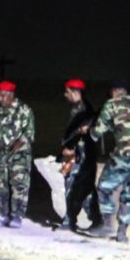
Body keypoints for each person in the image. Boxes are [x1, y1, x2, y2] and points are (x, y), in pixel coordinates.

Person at [84, 78, 130, 243]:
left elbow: (98, 131)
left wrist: (88, 131)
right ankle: (122, 231)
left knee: (104, 186)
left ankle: (107, 223)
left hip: (125, 152)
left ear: (114, 91)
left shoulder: (111, 104)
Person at [0, 80, 35, 228]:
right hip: (1, 153)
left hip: (19, 154)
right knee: (1, 185)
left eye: (3, 96)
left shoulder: (24, 110)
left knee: (19, 184)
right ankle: (4, 214)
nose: (0, 99)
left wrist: (19, 143)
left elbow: (29, 132)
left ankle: (17, 215)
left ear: (11, 95)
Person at [57, 78, 101, 231]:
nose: (65, 95)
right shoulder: (82, 108)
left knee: (73, 186)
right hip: (83, 154)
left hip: (79, 155)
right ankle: (96, 219)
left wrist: (70, 148)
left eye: (67, 92)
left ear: (75, 93)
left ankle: (69, 221)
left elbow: (81, 134)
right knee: (85, 187)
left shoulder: (82, 110)